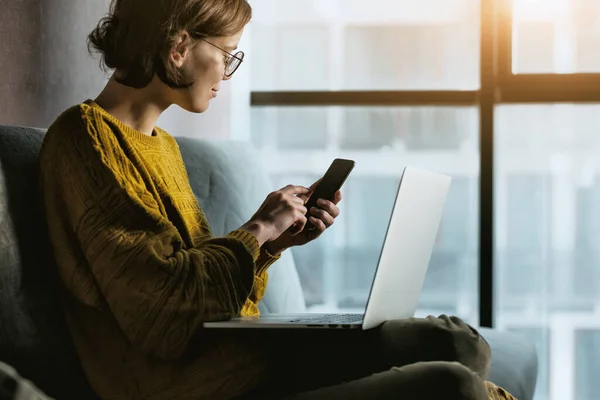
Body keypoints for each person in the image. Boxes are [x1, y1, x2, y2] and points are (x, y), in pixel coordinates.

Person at [38, 0, 517, 399]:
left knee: (459, 343)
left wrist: (271, 245)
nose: (227, 70)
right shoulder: (85, 138)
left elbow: (205, 295)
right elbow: (164, 316)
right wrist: (258, 229)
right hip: (196, 386)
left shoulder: (162, 145)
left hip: (245, 359)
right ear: (179, 45)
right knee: (454, 384)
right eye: (227, 53)